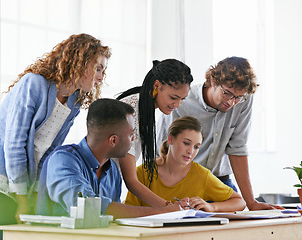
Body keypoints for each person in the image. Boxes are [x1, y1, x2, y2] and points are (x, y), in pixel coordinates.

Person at [0, 33, 111, 240]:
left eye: (103, 70)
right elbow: (14, 144)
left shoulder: (73, 102)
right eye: (98, 68)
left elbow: (50, 153)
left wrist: (35, 196)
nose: (101, 77)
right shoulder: (34, 84)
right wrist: (22, 200)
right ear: (80, 62)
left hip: (25, 186)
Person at [157, 56, 284, 210]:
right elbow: (160, 148)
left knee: (236, 224)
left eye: (237, 97)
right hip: (184, 181)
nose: (231, 102)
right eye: (227, 93)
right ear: (212, 81)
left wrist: (251, 202)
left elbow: (237, 148)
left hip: (220, 182)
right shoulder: (181, 102)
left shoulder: (243, 99)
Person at [36, 99, 181, 219]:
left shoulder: (112, 170)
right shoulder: (62, 160)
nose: (134, 139)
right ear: (113, 141)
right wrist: (161, 212)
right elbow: (88, 208)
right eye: (131, 134)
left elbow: (112, 219)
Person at [125, 116, 246, 212]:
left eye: (196, 147)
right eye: (186, 143)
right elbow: (128, 211)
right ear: (171, 139)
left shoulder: (201, 175)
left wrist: (212, 207)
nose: (191, 151)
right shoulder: (142, 172)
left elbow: (240, 202)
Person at [116, 59, 193, 207]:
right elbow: (131, 180)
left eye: (182, 99)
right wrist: (168, 207)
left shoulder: (144, 106)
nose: (177, 105)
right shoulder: (130, 110)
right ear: (157, 85)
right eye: (173, 98)